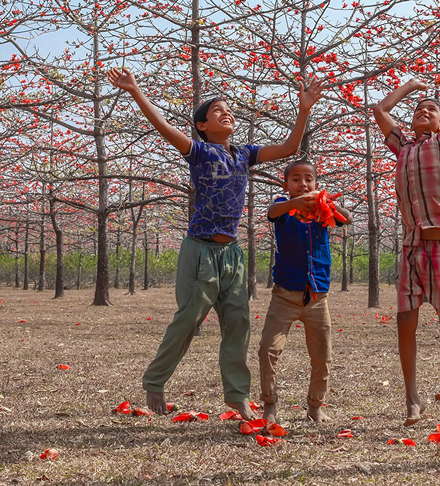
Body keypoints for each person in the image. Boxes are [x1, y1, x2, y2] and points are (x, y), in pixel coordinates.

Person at [107, 66, 324, 419]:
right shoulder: (198, 151)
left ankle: (237, 395)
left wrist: (303, 109)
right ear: (202, 126)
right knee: (189, 318)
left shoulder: (244, 153)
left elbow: (289, 147)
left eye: (229, 110)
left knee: (238, 323)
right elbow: (163, 128)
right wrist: (135, 91)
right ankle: (155, 381)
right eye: (216, 111)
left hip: (232, 252)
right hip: (200, 249)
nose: (226, 113)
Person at [372, 47, 440, 427]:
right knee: (405, 321)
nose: (423, 111)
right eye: (418, 109)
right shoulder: (402, 146)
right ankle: (412, 397)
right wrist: (409, 86)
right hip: (410, 246)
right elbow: (380, 112)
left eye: (431, 110)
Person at [258, 159, 352, 424]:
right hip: (285, 295)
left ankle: (315, 406)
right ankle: (270, 405)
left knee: (322, 356)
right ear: (286, 184)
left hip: (317, 297)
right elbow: (272, 210)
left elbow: (348, 218)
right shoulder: (283, 208)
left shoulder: (324, 211)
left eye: (308, 179)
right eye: (296, 179)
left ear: (316, 184)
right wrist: (294, 204)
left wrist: (328, 204)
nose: (303, 184)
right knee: (268, 349)